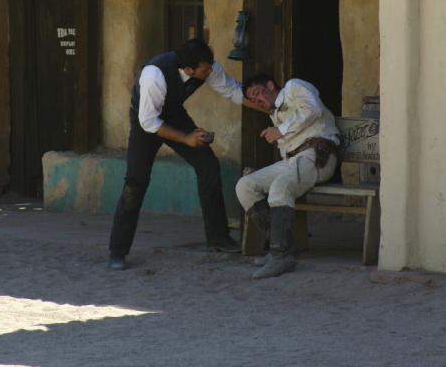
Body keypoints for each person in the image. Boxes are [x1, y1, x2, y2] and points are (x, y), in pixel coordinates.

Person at [108, 39, 248, 270]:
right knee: (135, 183)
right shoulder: (154, 76)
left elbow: (234, 91)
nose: (210, 71)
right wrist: (187, 139)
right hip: (146, 124)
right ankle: (118, 251)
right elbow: (149, 122)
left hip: (174, 116)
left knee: (209, 167)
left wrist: (272, 106)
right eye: (206, 69)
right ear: (189, 70)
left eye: (210, 65)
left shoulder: (206, 66)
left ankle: (218, 238)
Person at [236, 74, 340, 280]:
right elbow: (289, 153)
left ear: (270, 85)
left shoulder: (294, 87)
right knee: (245, 185)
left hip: (318, 154)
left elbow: (313, 109)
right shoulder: (275, 114)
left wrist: (280, 130)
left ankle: (280, 255)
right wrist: (259, 171)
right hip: (294, 160)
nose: (259, 100)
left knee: (280, 187)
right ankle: (282, 247)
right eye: (254, 100)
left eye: (258, 93)